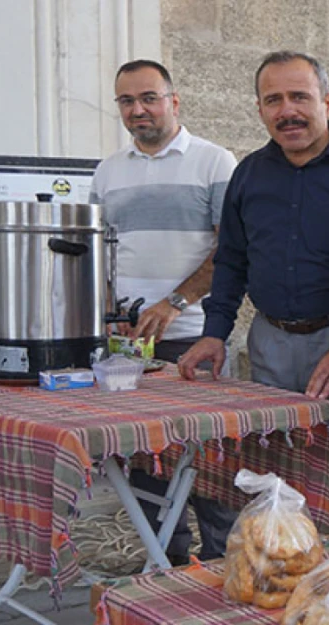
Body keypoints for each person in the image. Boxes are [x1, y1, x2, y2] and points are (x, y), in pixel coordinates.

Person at [177, 51, 329, 514]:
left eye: (299, 97)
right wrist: (215, 332)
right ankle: (287, 565)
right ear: (259, 109)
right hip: (270, 343)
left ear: (328, 102)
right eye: (273, 99)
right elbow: (231, 260)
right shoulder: (249, 174)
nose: (287, 110)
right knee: (277, 474)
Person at [90, 59, 238, 564]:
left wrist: (175, 303)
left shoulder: (215, 162)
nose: (138, 110)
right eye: (127, 102)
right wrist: (109, 315)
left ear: (175, 102)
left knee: (210, 462)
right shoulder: (108, 171)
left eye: (149, 98)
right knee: (146, 463)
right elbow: (99, 255)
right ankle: (166, 567)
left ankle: (221, 565)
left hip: (196, 337)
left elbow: (231, 253)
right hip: (129, 347)